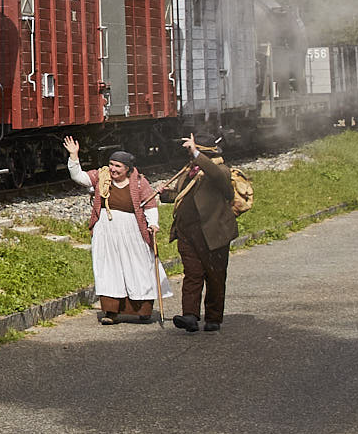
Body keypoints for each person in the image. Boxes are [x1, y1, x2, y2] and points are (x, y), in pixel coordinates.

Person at [65, 135, 161, 324]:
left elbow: (149, 205)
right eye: (112, 164)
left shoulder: (140, 182)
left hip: (132, 229)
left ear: (128, 169)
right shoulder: (101, 177)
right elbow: (79, 177)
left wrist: (153, 223)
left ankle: (142, 310)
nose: (113, 169)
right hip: (106, 229)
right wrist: (74, 156)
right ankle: (111, 312)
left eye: (118, 166)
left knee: (137, 265)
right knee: (108, 267)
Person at [156, 131, 240, 332]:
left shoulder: (221, 171)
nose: (190, 156)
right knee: (192, 275)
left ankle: (213, 317)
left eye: (193, 152)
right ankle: (190, 316)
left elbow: (216, 175)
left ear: (205, 154)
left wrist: (195, 154)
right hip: (187, 232)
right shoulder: (189, 171)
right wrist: (165, 195)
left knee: (215, 276)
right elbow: (181, 195)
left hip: (213, 232)